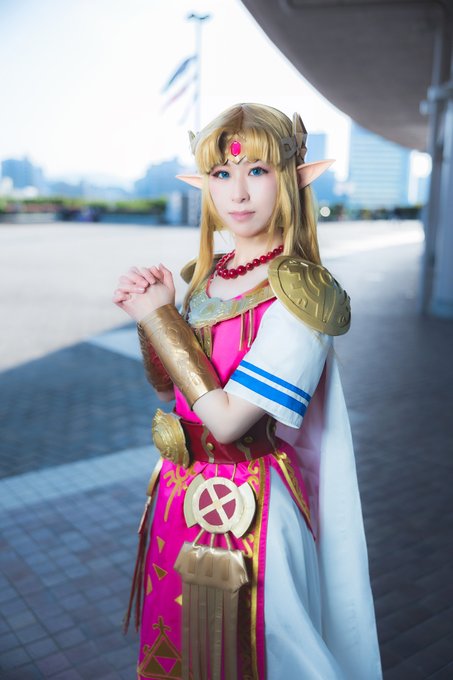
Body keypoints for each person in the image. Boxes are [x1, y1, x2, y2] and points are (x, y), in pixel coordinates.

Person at [113, 103, 382, 680]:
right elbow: (169, 388)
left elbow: (228, 420)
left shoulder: (302, 293)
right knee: (180, 656)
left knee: (269, 658)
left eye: (257, 170)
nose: (237, 192)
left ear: (290, 179)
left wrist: (161, 319)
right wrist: (154, 315)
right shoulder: (208, 277)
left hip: (251, 507)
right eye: (222, 173)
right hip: (179, 494)